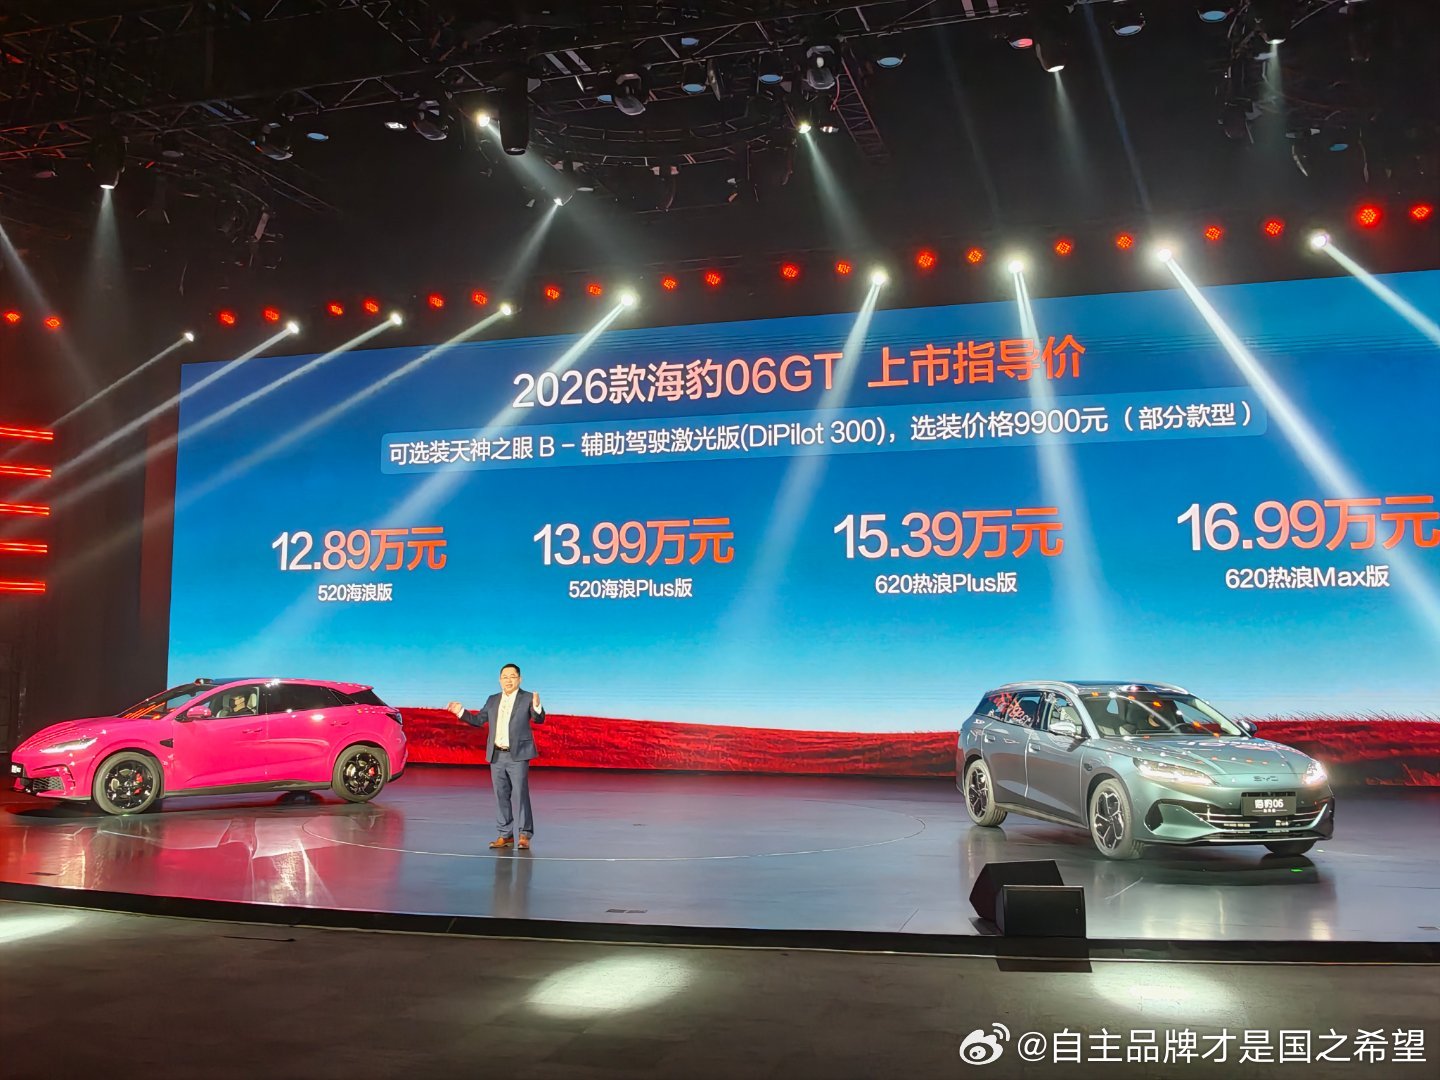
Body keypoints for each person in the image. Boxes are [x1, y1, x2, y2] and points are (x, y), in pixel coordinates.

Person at [447, 663, 545, 850]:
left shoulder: (527, 698)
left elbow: (539, 719)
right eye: (504, 677)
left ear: (519, 679)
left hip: (518, 755)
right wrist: (460, 711)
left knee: (520, 794)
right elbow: (478, 720)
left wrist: (538, 706)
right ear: (500, 680)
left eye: (512, 676)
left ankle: (524, 834)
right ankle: (505, 835)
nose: (508, 680)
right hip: (496, 755)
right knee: (501, 795)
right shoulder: (493, 699)